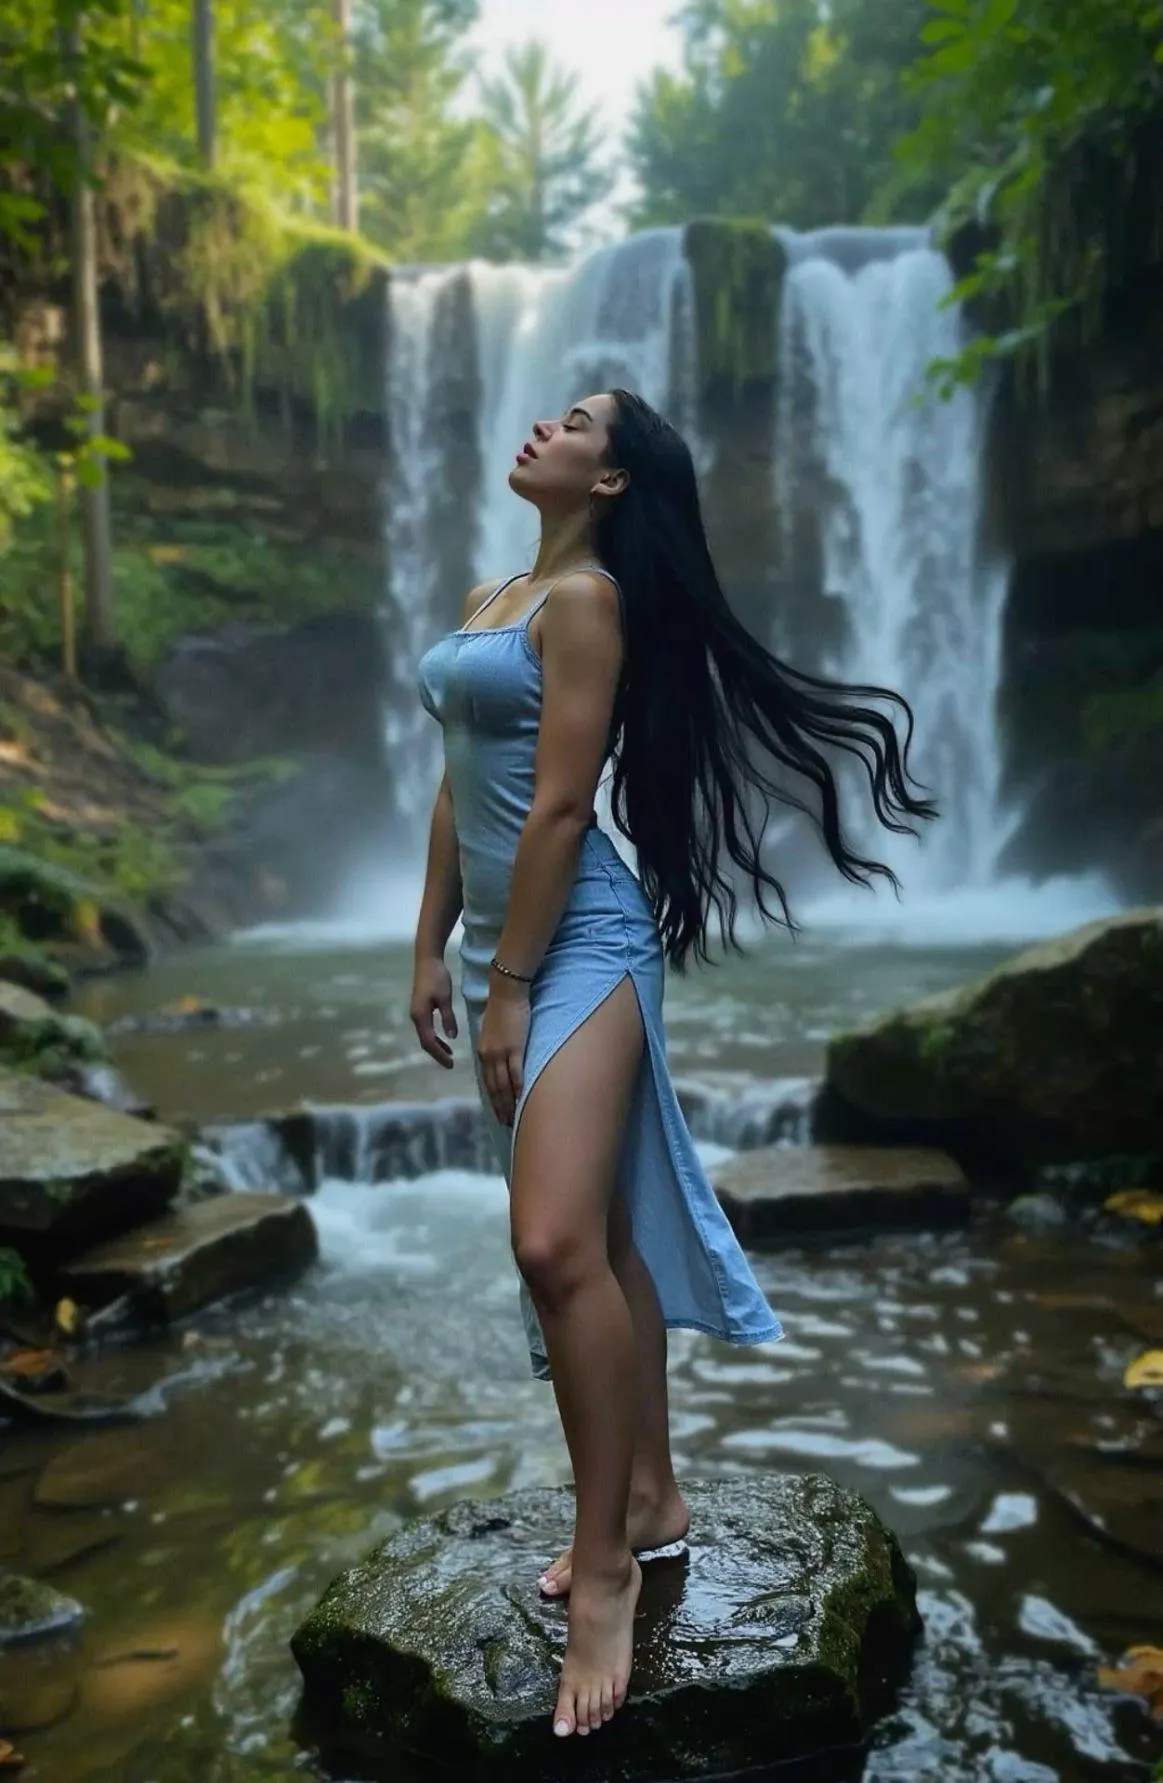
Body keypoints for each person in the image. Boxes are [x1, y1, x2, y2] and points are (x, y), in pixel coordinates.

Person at [412, 388, 935, 1742]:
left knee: (551, 1247)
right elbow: (458, 782)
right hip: (502, 942)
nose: (542, 427)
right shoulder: (492, 597)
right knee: (602, 1240)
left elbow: (560, 807)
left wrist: (510, 984)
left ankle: (606, 1569)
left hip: (578, 941)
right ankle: (650, 1497)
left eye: (576, 421)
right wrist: (430, 950)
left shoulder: (586, 602)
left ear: (615, 480)